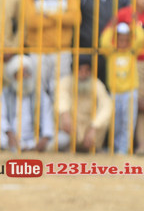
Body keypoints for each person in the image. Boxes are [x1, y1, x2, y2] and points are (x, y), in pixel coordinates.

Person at [20, 0, 80, 99]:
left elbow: (75, 18)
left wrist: (48, 15)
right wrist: (61, 16)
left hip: (62, 50)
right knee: (37, 91)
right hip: (38, 50)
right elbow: (32, 22)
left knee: (60, 92)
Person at [0, 54, 53, 152]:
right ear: (13, 76)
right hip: (10, 137)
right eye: (21, 73)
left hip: (34, 138)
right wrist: (9, 133)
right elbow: (0, 117)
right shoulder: (4, 94)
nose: (24, 76)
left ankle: (26, 146)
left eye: (27, 72)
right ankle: (21, 146)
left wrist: (45, 137)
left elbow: (47, 119)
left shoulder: (41, 95)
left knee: (62, 139)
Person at [100, 21, 144, 154]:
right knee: (115, 122)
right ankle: (114, 146)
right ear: (116, 40)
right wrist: (111, 27)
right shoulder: (111, 53)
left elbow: (141, 39)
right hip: (115, 92)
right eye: (120, 40)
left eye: (126, 40)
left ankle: (124, 148)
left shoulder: (132, 52)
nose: (123, 43)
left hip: (129, 92)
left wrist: (134, 26)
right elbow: (104, 42)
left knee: (128, 122)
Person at [56, 54, 112, 152]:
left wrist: (94, 126)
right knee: (62, 139)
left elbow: (107, 106)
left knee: (106, 116)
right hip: (70, 131)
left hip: (90, 133)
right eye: (80, 70)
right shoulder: (66, 81)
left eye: (87, 70)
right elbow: (61, 97)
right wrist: (65, 113)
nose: (83, 74)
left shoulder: (96, 84)